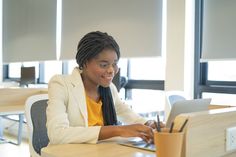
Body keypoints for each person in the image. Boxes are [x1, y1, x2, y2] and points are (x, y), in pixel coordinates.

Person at [46, 31, 163, 145]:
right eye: (104, 65)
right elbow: (57, 134)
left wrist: (148, 124)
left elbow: (125, 112)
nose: (111, 70)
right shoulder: (60, 84)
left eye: (114, 64)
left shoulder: (109, 89)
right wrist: (118, 130)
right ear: (85, 63)